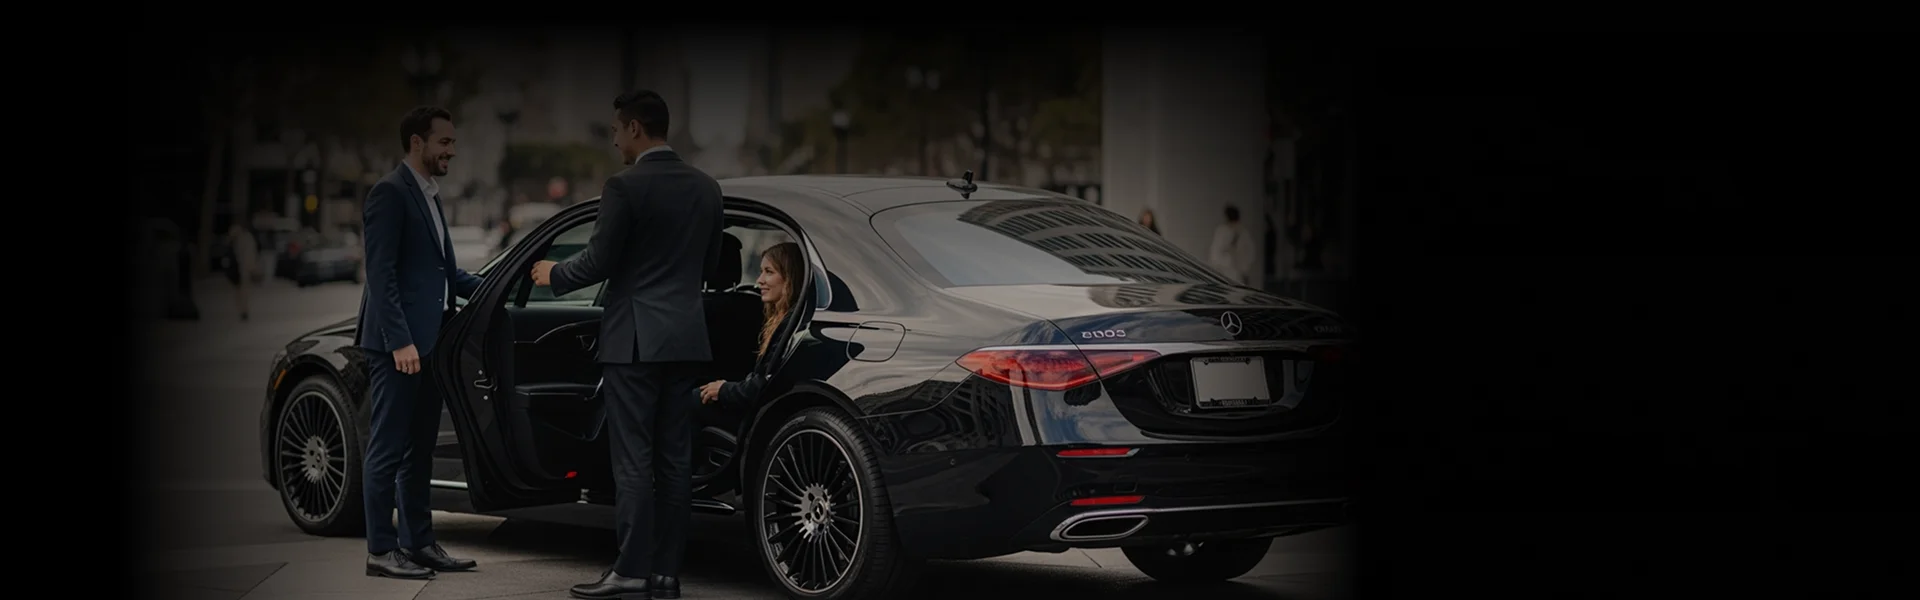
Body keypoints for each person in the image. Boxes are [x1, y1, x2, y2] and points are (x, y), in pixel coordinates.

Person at [531, 89, 724, 600]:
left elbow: (597, 261)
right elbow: (711, 267)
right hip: (686, 339)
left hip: (634, 342)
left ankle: (631, 570)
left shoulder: (624, 186)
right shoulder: (707, 188)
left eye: (616, 130)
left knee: (634, 461)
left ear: (636, 128)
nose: (614, 139)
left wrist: (554, 275)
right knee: (675, 461)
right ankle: (665, 574)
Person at [356, 105, 484, 580]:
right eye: (444, 142)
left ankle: (420, 543)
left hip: (428, 345)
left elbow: (444, 273)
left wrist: (497, 288)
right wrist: (400, 342)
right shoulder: (390, 193)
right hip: (400, 348)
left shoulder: (429, 194)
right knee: (387, 449)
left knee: (420, 450)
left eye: (453, 142)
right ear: (417, 143)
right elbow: (381, 275)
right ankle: (380, 551)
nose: (452, 149)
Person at [698, 242, 802, 409]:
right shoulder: (777, 316)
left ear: (790, 277)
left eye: (769, 272)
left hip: (762, 410)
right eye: (761, 272)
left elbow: (763, 385)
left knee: (691, 401)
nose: (759, 281)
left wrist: (724, 389)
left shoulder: (789, 323)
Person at [1209, 204, 1255, 285]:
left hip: (1235, 271)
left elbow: (1249, 252)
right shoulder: (1222, 231)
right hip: (1226, 271)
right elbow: (1216, 253)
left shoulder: (1242, 232)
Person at [226, 222, 258, 321]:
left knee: (243, 292)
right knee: (240, 292)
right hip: (240, 270)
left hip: (244, 270)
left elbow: (249, 256)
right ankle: (242, 310)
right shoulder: (239, 241)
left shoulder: (246, 239)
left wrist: (251, 269)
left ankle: (244, 310)